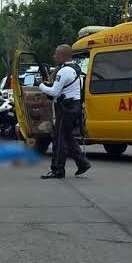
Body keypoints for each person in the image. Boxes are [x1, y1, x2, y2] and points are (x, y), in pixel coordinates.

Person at [39, 45, 91, 179]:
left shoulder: (64, 71)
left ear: (62, 55)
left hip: (65, 108)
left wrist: (41, 86)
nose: (54, 56)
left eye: (56, 54)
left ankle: (58, 169)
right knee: (67, 137)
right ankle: (82, 163)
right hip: (74, 107)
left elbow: (54, 92)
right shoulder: (75, 70)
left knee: (59, 139)